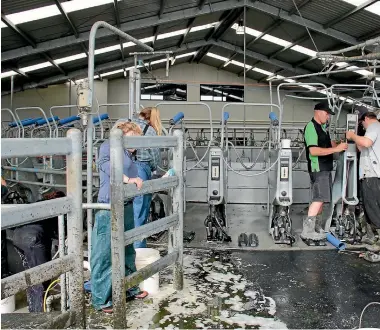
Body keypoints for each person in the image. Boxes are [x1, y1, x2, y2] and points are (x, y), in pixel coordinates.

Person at [90, 121, 148, 314]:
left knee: (128, 249)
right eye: (132, 137)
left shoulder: (130, 154)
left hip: (127, 204)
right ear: (122, 135)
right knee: (104, 253)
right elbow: (105, 165)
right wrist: (127, 179)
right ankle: (101, 299)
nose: (135, 142)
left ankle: (129, 288)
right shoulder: (109, 146)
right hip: (109, 206)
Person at [302, 102, 348, 241]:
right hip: (318, 168)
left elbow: (328, 144)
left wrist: (338, 143)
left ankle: (316, 228)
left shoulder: (323, 128)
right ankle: (307, 231)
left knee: (322, 200)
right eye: (327, 113)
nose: (328, 117)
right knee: (319, 199)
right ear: (318, 111)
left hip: (326, 167)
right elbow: (313, 150)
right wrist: (336, 149)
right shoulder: (311, 127)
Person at [346, 106, 380, 243]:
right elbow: (364, 146)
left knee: (372, 207)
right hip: (374, 175)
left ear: (366, 118)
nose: (363, 126)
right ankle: (372, 237)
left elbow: (366, 142)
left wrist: (352, 135)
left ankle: (377, 240)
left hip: (372, 175)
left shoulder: (373, 127)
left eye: (362, 123)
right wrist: (355, 140)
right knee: (371, 206)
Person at [131, 107, 162, 248]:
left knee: (127, 209)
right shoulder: (149, 130)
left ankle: (125, 247)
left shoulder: (128, 125)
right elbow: (155, 156)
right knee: (140, 210)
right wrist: (155, 168)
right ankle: (138, 248)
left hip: (125, 168)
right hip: (141, 169)